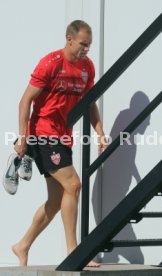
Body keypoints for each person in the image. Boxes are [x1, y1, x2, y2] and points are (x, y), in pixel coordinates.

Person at [12, 20, 108, 267]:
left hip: (63, 137)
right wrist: (23, 138)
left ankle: (22, 245)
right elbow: (25, 102)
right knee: (74, 184)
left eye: (89, 45)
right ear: (69, 39)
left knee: (56, 201)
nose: (86, 49)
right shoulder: (51, 63)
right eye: (83, 44)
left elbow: (90, 102)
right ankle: (73, 251)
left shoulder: (87, 67)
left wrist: (100, 133)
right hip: (42, 134)